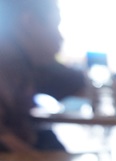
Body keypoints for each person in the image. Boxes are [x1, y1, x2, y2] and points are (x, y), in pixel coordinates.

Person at [0, 0, 87, 152]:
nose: (60, 37)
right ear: (30, 22)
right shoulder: (6, 61)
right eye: (55, 25)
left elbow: (78, 83)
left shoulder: (28, 63)